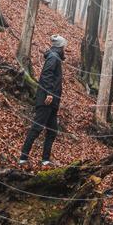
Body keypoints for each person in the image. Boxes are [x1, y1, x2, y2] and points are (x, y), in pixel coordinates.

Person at [19, 34, 67, 166]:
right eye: (64, 46)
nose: (65, 48)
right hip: (47, 100)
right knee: (36, 128)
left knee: (52, 131)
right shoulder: (53, 57)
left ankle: (45, 160)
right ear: (60, 46)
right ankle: (23, 158)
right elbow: (46, 76)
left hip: (52, 102)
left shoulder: (55, 56)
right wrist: (49, 93)